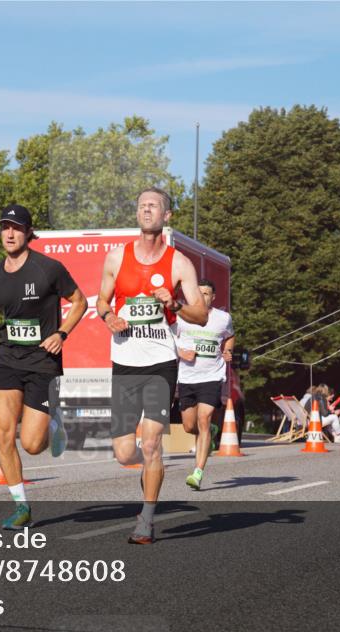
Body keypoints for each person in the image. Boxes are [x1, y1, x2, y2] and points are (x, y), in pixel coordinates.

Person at [0, 204, 87, 530]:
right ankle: (21, 506)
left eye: (16, 227)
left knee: (31, 444)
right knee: (2, 432)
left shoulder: (48, 269)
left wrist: (62, 333)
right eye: (5, 227)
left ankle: (54, 421)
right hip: (8, 360)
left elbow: (80, 301)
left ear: (29, 232)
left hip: (43, 363)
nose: (10, 233)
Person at [97, 187, 207, 544]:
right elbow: (100, 301)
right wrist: (110, 316)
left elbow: (201, 314)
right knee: (124, 452)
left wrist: (174, 302)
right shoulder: (116, 257)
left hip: (161, 361)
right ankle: (148, 476)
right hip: (125, 361)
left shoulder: (178, 263)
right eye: (142, 205)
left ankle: (145, 519)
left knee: (152, 443)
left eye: (154, 206)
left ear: (166, 216)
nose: (147, 210)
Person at [172, 278, 234, 491]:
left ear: (213, 297)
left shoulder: (223, 318)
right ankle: (211, 431)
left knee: (203, 419)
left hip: (212, 377)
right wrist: (180, 352)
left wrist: (228, 351)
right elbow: (167, 339)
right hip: (187, 377)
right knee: (190, 427)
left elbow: (230, 336)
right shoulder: (181, 318)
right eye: (199, 293)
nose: (202, 297)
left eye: (206, 293)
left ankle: (197, 472)